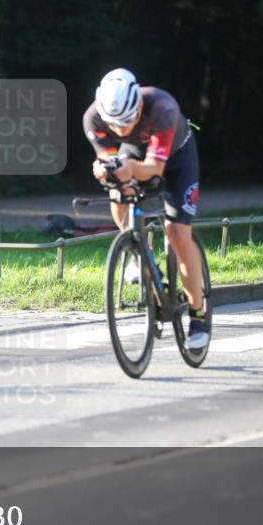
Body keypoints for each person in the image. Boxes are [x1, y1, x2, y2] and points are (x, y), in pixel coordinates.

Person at [84, 68, 208, 349]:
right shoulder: (92, 118)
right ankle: (140, 253)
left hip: (176, 159)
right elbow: (113, 162)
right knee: (118, 192)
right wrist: (106, 169)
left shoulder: (163, 108)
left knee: (177, 233)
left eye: (127, 121)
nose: (120, 130)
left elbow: (154, 169)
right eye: (113, 124)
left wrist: (125, 168)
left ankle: (199, 314)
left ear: (139, 106)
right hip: (135, 153)